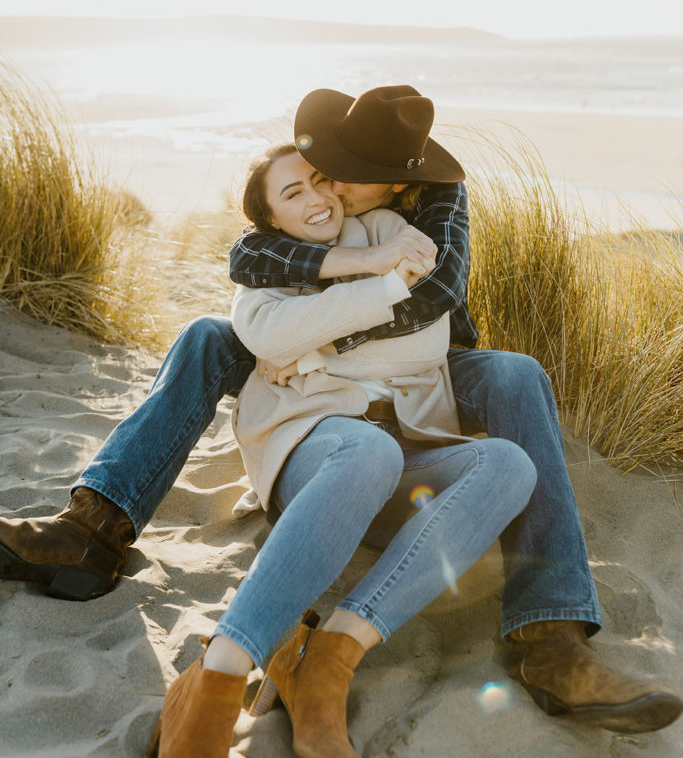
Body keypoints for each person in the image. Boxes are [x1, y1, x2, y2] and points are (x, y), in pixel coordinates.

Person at [0, 85, 680, 736]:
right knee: (209, 336)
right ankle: (95, 528)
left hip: (426, 360)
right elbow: (252, 250)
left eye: (347, 175)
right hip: (320, 339)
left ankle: (549, 635)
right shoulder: (319, 188)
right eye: (324, 169)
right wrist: (331, 299)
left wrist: (316, 348)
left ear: (393, 185)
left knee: (515, 373)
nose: (328, 180)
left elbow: (437, 290)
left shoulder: (440, 198)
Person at [147, 141, 538, 757]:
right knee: (366, 454)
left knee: (509, 464)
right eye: (292, 192)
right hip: (312, 445)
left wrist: (310, 350)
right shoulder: (271, 267)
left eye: (321, 181)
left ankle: (330, 656)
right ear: (271, 219)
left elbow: (426, 338)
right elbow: (261, 330)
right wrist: (382, 282)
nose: (316, 198)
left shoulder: (384, 227)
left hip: (407, 449)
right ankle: (219, 674)